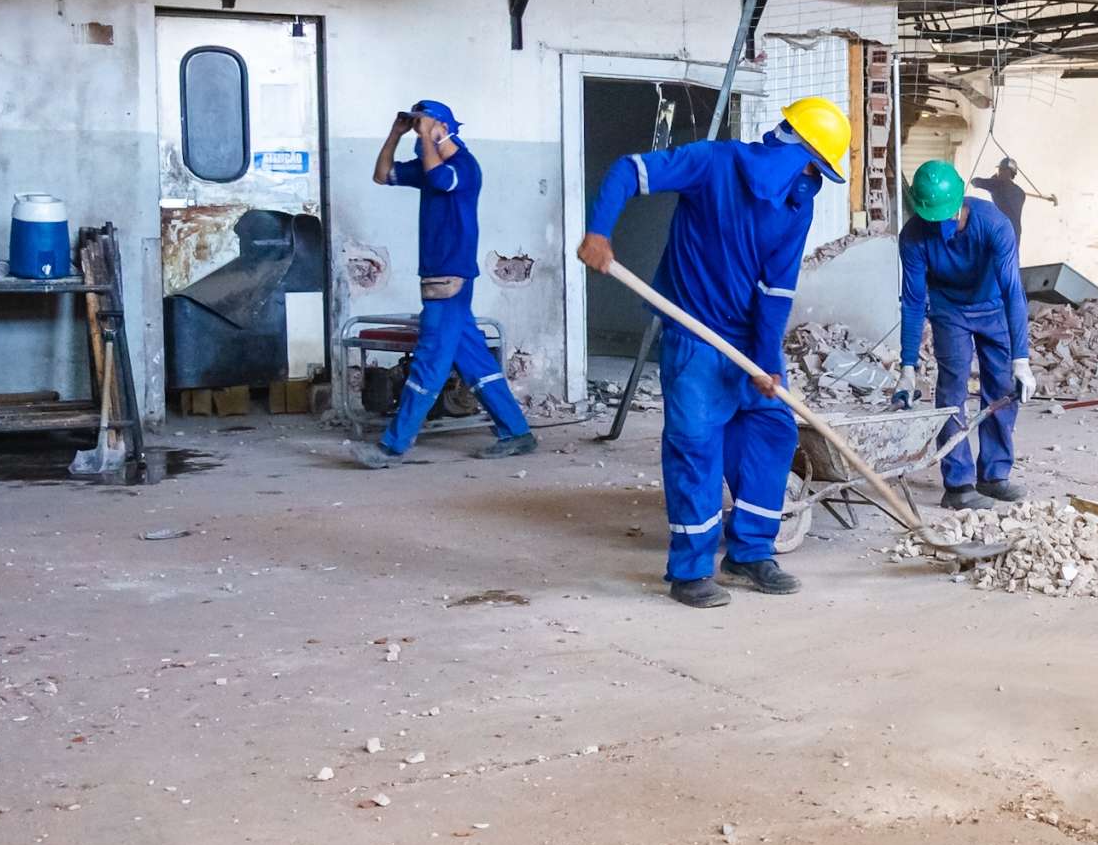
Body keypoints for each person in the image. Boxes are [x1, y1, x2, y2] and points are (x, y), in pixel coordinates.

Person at [575, 98, 850, 608]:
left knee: (772, 430)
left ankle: (749, 553)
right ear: (796, 148)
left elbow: (777, 289)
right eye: (814, 165)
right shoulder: (713, 162)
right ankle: (691, 570)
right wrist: (599, 231)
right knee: (696, 445)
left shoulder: (797, 200)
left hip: (751, 343)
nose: (810, 177)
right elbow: (629, 170)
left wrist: (767, 362)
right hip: (695, 336)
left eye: (817, 173)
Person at [346, 99, 535, 467]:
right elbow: (382, 175)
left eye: (423, 126)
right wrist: (395, 133)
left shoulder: (463, 166)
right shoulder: (428, 164)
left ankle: (392, 447)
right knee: (476, 362)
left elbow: (438, 178)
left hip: (449, 279)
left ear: (442, 128)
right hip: (442, 278)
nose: (417, 133)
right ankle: (517, 432)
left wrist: (431, 135)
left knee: (430, 362)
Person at [896, 159, 1036, 509]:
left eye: (944, 217)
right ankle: (958, 484)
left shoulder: (993, 225)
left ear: (960, 202)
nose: (938, 226)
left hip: (993, 307)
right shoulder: (913, 237)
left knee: (1002, 390)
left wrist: (1022, 359)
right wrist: (907, 368)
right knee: (952, 388)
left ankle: (993, 476)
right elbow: (913, 302)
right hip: (949, 311)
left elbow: (1013, 291)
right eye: (930, 219)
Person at [969, 156, 1052, 249]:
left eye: (1000, 170)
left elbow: (975, 182)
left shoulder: (997, 184)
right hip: (1015, 232)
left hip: (1001, 229)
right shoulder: (1021, 193)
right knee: (1012, 260)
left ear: (1006, 171)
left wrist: (994, 178)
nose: (998, 172)